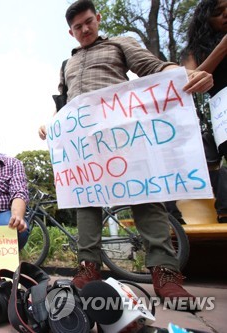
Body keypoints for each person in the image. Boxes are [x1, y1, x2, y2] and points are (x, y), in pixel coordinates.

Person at [38, 0, 213, 308]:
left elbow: (154, 68)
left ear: (98, 18)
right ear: (71, 32)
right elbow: (65, 105)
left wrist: (184, 75)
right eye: (78, 26)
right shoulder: (66, 65)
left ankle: (165, 273)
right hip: (83, 142)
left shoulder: (120, 44)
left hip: (123, 134)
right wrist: (52, 125)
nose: (85, 29)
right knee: (85, 201)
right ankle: (87, 267)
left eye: (89, 21)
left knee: (146, 198)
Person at [182, 0, 227, 223]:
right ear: (205, 19)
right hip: (220, 116)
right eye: (218, 12)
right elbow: (190, 79)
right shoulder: (194, 50)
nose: (225, 15)